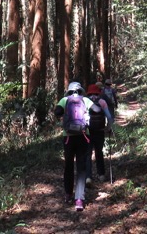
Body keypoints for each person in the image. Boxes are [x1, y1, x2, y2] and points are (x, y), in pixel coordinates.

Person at [53, 81, 94, 211]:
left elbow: (57, 112)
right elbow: (96, 110)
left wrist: (65, 114)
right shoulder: (86, 100)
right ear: (80, 90)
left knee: (69, 165)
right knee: (81, 168)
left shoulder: (64, 100)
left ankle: (68, 194)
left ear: (69, 91)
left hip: (68, 137)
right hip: (83, 135)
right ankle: (79, 199)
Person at [85, 83, 113, 184]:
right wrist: (108, 128)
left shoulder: (86, 102)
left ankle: (88, 177)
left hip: (88, 132)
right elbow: (109, 117)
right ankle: (101, 174)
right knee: (99, 152)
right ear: (98, 92)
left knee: (87, 154)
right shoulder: (102, 102)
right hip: (100, 131)